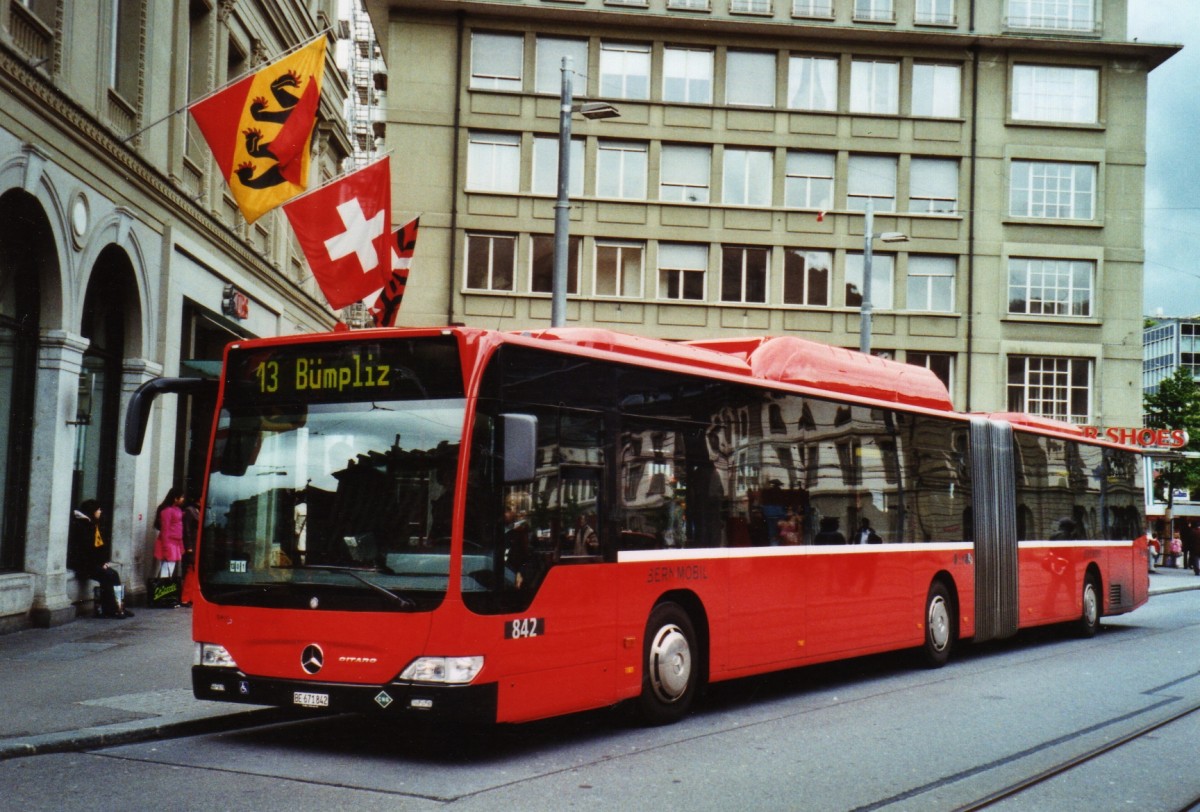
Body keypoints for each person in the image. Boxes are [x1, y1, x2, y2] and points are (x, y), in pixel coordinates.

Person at [67, 499, 132, 619]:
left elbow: (98, 547)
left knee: (113, 574)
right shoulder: (85, 525)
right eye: (98, 509)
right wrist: (101, 563)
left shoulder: (92, 524)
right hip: (84, 565)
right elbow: (87, 549)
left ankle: (119, 606)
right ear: (92, 511)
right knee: (108, 576)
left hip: (92, 563)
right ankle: (112, 608)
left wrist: (103, 562)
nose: (100, 512)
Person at [154, 487, 185, 579]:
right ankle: (164, 587)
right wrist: (166, 549)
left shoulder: (177, 510)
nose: (183, 499)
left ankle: (164, 586)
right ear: (175, 498)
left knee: (168, 569)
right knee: (167, 570)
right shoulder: (167, 511)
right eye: (181, 497)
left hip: (173, 543)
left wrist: (181, 546)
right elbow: (165, 531)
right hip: (169, 543)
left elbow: (178, 531)